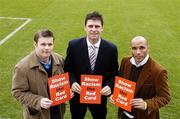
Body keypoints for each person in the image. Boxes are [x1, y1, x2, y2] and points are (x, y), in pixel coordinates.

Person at [64, 11, 119, 119]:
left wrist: (110, 86)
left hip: (99, 97)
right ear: (85, 27)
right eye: (90, 26)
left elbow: (114, 73)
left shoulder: (111, 48)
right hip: (78, 96)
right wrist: (72, 82)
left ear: (102, 28)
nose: (93, 29)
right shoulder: (73, 45)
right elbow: (67, 69)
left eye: (97, 26)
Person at [12, 29, 65, 119]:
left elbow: (64, 80)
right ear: (35, 44)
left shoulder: (59, 59)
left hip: (57, 111)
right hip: (38, 114)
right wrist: (38, 101)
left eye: (50, 44)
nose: (47, 48)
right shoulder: (22, 67)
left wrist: (68, 90)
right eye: (43, 44)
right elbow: (17, 92)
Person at [117, 36, 170, 119]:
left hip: (144, 116)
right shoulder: (125, 61)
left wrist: (146, 104)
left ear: (148, 48)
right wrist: (116, 94)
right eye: (134, 48)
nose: (138, 52)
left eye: (142, 48)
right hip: (124, 113)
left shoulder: (158, 71)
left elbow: (165, 97)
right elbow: (120, 82)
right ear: (131, 49)